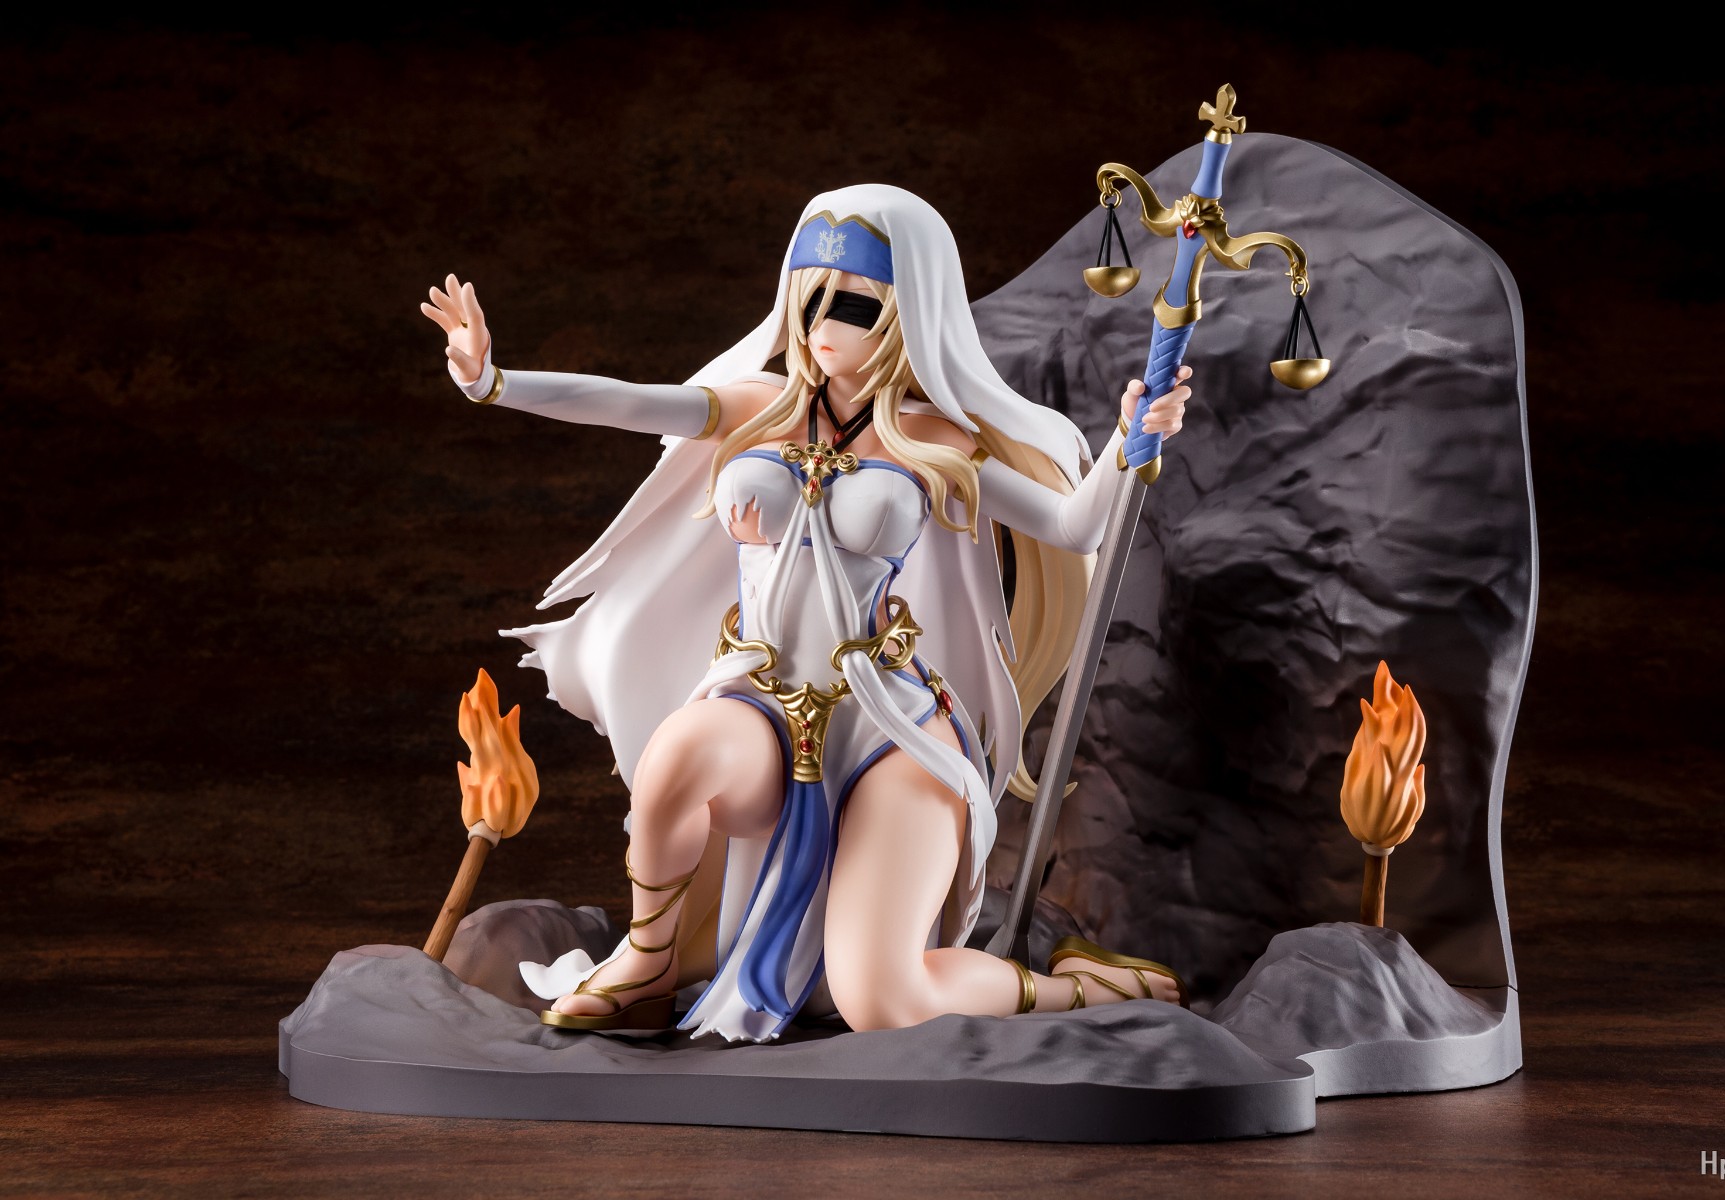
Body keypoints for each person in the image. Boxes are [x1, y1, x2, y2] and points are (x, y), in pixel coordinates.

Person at [420, 185, 1192, 1043]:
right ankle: (649, 963)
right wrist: (490, 380)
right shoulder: (760, 407)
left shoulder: (936, 441)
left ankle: (1081, 989)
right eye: (810, 297)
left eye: (855, 305)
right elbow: (630, 402)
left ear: (908, 313)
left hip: (890, 722)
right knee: (677, 755)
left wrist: (1128, 443)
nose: (824, 324)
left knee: (882, 1001)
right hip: (763, 702)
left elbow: (1073, 526)